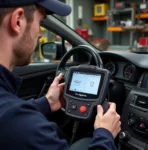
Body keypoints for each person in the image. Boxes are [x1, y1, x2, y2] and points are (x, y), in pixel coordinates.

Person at [0, 0, 121, 149]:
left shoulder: (12, 114)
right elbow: (15, 119)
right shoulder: (27, 127)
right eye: (40, 23)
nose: (39, 34)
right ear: (18, 21)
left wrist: (47, 103)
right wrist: (105, 134)